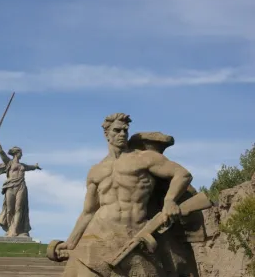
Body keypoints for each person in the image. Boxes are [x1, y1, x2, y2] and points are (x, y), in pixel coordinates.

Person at [55, 113, 195, 277]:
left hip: (134, 235)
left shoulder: (144, 158)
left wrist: (169, 200)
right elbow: (89, 212)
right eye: (117, 130)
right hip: (97, 236)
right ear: (106, 134)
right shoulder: (95, 171)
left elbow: (182, 174)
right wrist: (70, 242)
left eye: (125, 131)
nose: (122, 134)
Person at [0, 129, 41, 237]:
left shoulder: (23, 166)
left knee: (19, 208)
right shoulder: (9, 163)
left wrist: (35, 166)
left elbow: (30, 167)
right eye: (21, 152)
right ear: (16, 153)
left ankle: (15, 230)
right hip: (10, 186)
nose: (22, 154)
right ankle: (10, 229)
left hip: (21, 187)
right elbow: (1, 152)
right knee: (9, 209)